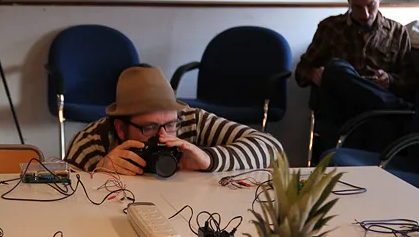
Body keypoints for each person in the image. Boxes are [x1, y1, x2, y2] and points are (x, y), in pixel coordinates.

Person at [66, 66, 284, 174]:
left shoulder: (190, 120)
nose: (163, 136)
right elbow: (68, 203)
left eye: (170, 125)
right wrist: (98, 174)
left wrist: (209, 159)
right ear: (121, 128)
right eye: (150, 127)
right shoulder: (91, 143)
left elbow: (272, 148)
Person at [295, 0, 419, 153]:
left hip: (377, 116)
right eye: (357, 7)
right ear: (349, 1)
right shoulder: (330, 27)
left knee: (378, 120)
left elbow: (411, 81)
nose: (365, 14)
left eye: (371, 5)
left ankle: (388, 105)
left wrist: (390, 80)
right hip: (340, 110)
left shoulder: (397, 32)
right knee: (335, 69)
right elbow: (301, 71)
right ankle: (399, 108)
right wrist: (314, 74)